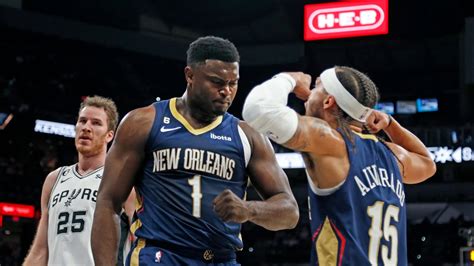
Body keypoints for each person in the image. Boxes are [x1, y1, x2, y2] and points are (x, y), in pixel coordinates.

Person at [91, 36, 299, 265]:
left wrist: (249, 210)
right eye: (217, 82)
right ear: (189, 75)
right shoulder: (143, 122)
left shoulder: (248, 135)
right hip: (159, 256)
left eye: (233, 83)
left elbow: (290, 212)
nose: (226, 91)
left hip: (221, 258)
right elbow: (109, 202)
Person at [242, 66, 437, 265]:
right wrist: (390, 123)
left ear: (329, 101)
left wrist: (288, 79)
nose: (308, 93)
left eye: (316, 87)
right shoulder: (392, 154)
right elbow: (427, 163)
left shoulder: (330, 142)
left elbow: (257, 110)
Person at [23, 96, 134, 265]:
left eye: (96, 123)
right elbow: (40, 250)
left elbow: (141, 242)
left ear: (109, 135)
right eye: (82, 121)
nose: (86, 128)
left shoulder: (121, 180)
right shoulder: (54, 180)